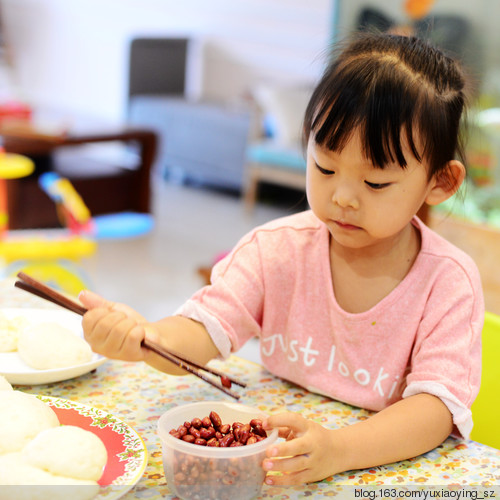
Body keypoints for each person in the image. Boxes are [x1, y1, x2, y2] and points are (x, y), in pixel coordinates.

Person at [80, 32, 484, 485]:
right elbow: (203, 330)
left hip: (382, 467)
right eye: (325, 168)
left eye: (375, 183)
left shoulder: (447, 282)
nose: (343, 198)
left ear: (441, 182)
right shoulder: (276, 249)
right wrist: (144, 336)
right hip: (279, 465)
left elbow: (435, 410)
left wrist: (339, 448)